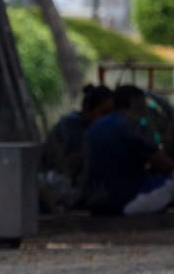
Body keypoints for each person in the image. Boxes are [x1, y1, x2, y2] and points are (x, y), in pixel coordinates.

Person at [81, 84, 174, 216]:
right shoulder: (134, 124)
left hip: (95, 205)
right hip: (126, 203)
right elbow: (163, 165)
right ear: (136, 103)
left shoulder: (94, 126)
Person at [39, 84, 115, 212]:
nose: (108, 119)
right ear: (87, 110)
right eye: (104, 113)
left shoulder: (102, 128)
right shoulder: (70, 127)